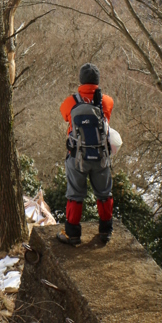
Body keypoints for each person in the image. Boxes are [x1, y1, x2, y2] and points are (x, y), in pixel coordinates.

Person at [57, 63, 114, 245]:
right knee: (104, 193)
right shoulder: (107, 101)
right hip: (100, 155)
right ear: (97, 81)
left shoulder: (70, 102)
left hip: (77, 156)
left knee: (75, 194)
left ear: (81, 81)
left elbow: (65, 116)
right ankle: (105, 231)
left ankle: (72, 234)